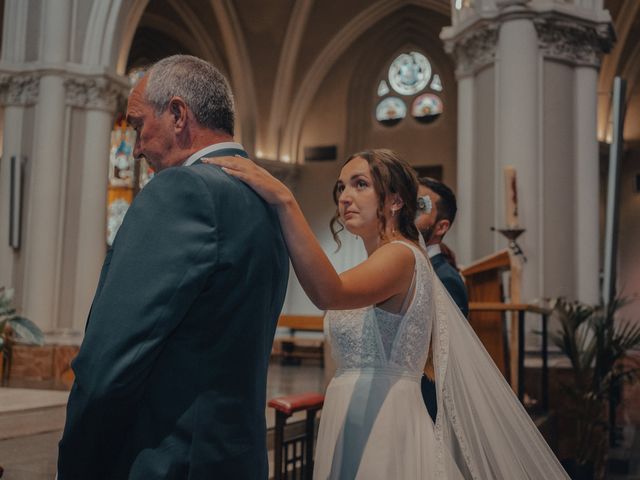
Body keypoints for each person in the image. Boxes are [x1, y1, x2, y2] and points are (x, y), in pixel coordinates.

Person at [207, 149, 569, 479]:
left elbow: (327, 292)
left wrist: (285, 201)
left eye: (360, 184)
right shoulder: (377, 261)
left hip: (385, 421)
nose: (344, 196)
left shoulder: (401, 256)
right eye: (341, 187)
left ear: (395, 200)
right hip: (350, 412)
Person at [57, 55, 289, 479]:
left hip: (168, 461)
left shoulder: (184, 190)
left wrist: (75, 463)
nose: (137, 146)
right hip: (235, 460)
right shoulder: (266, 200)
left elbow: (108, 365)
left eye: (138, 125)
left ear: (178, 114)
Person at [415, 177, 469, 422]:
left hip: (424, 405)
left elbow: (443, 359)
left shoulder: (446, 278)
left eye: (420, 207)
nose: (408, 211)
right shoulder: (404, 266)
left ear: (441, 227)